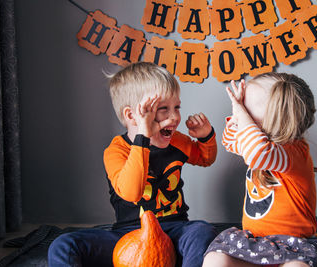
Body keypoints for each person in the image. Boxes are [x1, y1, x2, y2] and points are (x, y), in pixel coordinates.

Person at [48, 62, 218, 267]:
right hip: (129, 236)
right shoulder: (116, 151)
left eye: (176, 107)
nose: (174, 117)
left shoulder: (177, 141)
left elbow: (204, 158)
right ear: (131, 115)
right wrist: (142, 139)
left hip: (174, 229)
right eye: (163, 109)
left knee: (202, 231)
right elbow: (131, 193)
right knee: (63, 244)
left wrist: (205, 136)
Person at [202, 73, 317, 267]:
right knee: (215, 258)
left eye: (247, 108)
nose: (242, 111)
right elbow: (229, 142)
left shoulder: (293, 152)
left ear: (276, 117)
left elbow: (256, 153)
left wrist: (241, 112)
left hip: (293, 247)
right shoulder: (254, 145)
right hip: (254, 244)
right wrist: (237, 114)